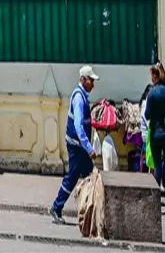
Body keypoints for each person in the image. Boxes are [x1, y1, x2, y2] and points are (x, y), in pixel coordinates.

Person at [50, 65, 99, 224]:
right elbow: (78, 126)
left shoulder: (83, 96)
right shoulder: (79, 98)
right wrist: (89, 148)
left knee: (90, 177)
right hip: (77, 147)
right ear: (84, 80)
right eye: (91, 80)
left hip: (79, 146)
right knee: (73, 177)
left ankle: (92, 210)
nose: (93, 84)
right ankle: (56, 207)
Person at [143, 62, 165, 213]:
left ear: (154, 76)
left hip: (156, 132)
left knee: (157, 167)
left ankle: (155, 205)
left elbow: (147, 114)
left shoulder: (152, 93)